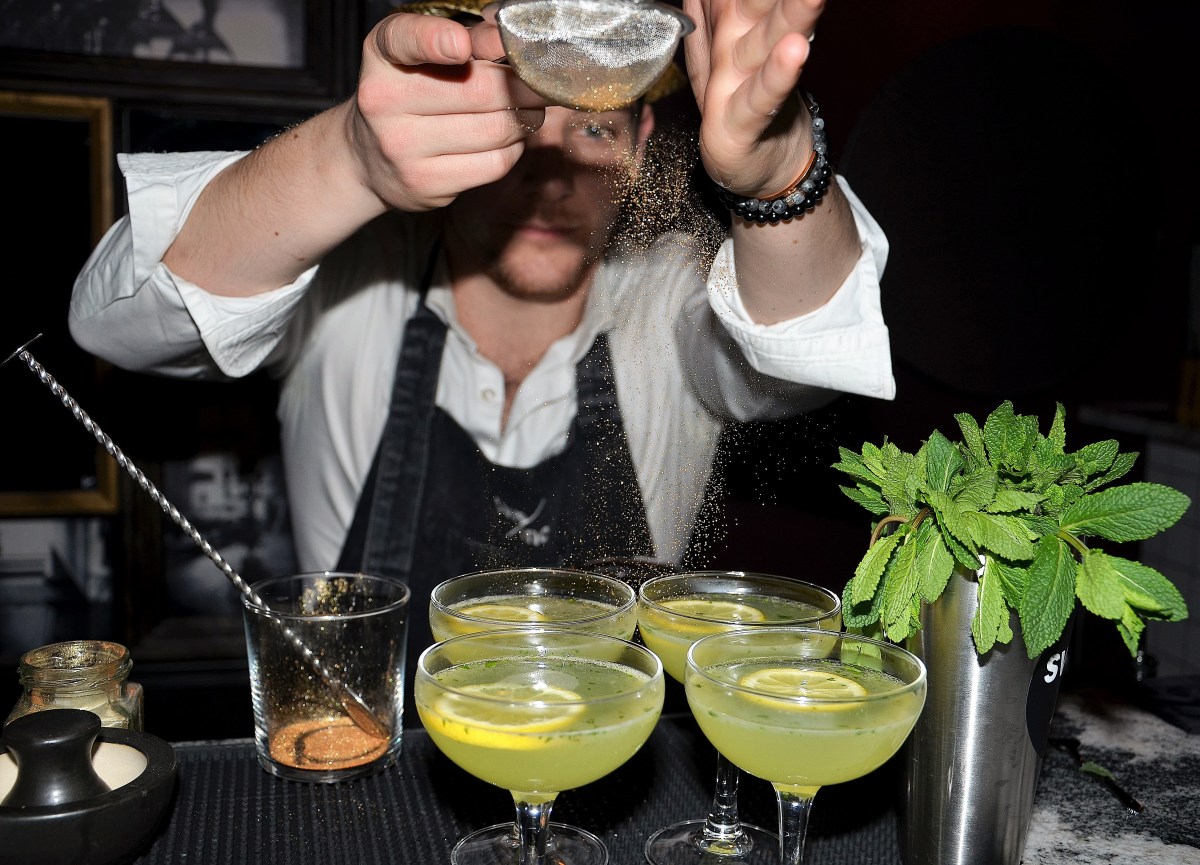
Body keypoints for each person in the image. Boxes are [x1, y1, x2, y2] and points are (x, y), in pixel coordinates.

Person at [69, 0, 894, 690]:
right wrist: (347, 157)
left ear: (641, 141)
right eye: (514, 125)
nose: (549, 178)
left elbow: (806, 348)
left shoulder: (669, 297)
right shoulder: (351, 284)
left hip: (610, 766)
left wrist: (779, 177)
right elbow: (116, 319)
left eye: (593, 128)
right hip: (366, 768)